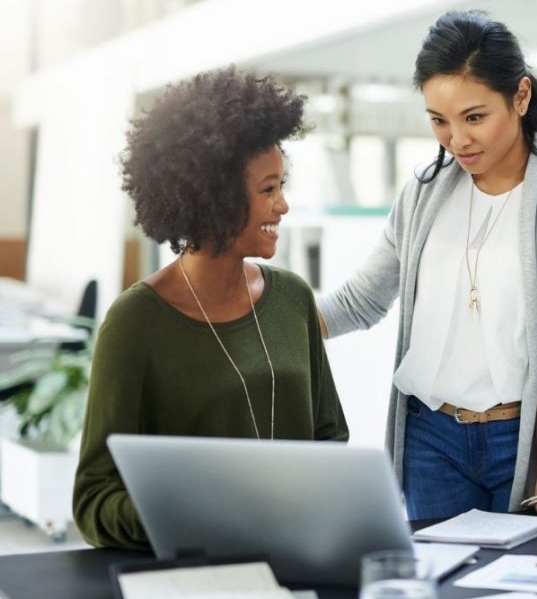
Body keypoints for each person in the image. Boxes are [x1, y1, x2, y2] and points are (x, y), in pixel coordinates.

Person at [316, 11, 537, 520]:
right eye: (439, 120)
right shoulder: (425, 190)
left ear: (520, 97)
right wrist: (255, 317)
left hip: (522, 436)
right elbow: (361, 301)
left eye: (474, 117)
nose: (456, 140)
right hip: (431, 438)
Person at [73, 67, 348, 549]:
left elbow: (329, 437)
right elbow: (95, 498)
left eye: (282, 185)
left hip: (297, 557)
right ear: (214, 199)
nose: (283, 206)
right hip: (193, 573)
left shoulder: (293, 299)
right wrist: (197, 516)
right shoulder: (136, 323)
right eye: (268, 189)